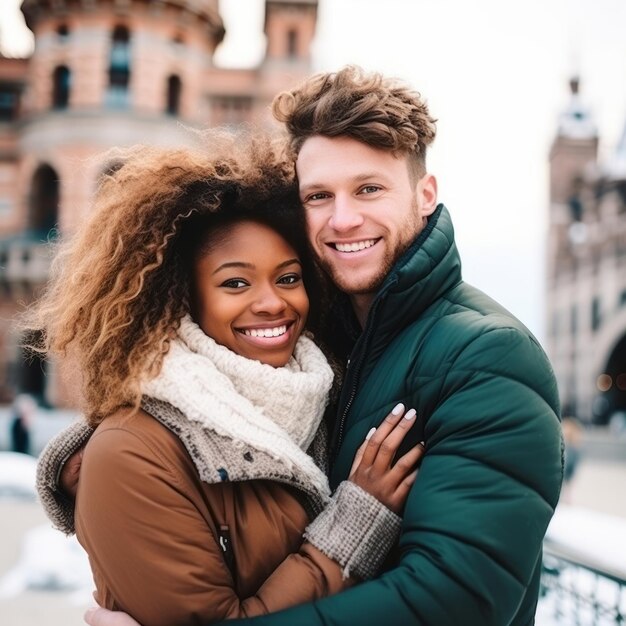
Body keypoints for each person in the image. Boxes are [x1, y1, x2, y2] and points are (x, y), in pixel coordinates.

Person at [61, 66, 564, 626]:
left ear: (425, 195)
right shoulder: (324, 354)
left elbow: (450, 602)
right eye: (319, 195)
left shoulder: (489, 357)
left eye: (369, 189)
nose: (344, 219)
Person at [31, 136, 425, 626]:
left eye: (288, 278)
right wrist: (356, 522)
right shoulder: (129, 454)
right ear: (182, 298)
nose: (272, 303)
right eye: (235, 283)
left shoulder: (316, 401)